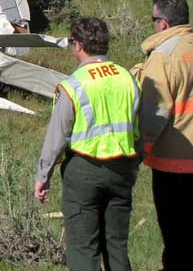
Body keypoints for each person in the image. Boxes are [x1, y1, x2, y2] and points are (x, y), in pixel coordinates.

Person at [34, 16, 141, 271]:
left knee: (83, 247)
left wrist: (43, 175)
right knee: (116, 246)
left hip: (84, 170)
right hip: (122, 169)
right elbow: (141, 127)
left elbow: (57, 136)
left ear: (78, 45)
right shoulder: (127, 78)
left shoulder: (74, 85)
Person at [132, 0, 193, 271]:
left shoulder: (164, 57)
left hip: (175, 160)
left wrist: (140, 149)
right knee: (189, 230)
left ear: (162, 23)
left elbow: (155, 113)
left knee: (174, 233)